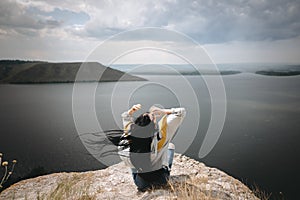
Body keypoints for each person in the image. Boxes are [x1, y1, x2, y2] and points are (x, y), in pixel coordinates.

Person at [119, 104, 186, 191]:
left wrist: (131, 111)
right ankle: (165, 170)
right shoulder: (161, 137)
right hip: (162, 180)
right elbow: (181, 112)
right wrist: (163, 111)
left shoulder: (129, 135)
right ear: (153, 127)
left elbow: (126, 118)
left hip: (141, 184)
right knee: (170, 146)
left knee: (135, 155)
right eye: (153, 118)